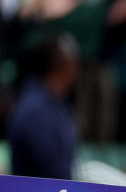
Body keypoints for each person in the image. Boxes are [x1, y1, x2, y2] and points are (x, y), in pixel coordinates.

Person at [7, 32, 79, 179]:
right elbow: (52, 170)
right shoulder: (35, 110)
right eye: (74, 62)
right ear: (61, 65)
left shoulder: (58, 103)